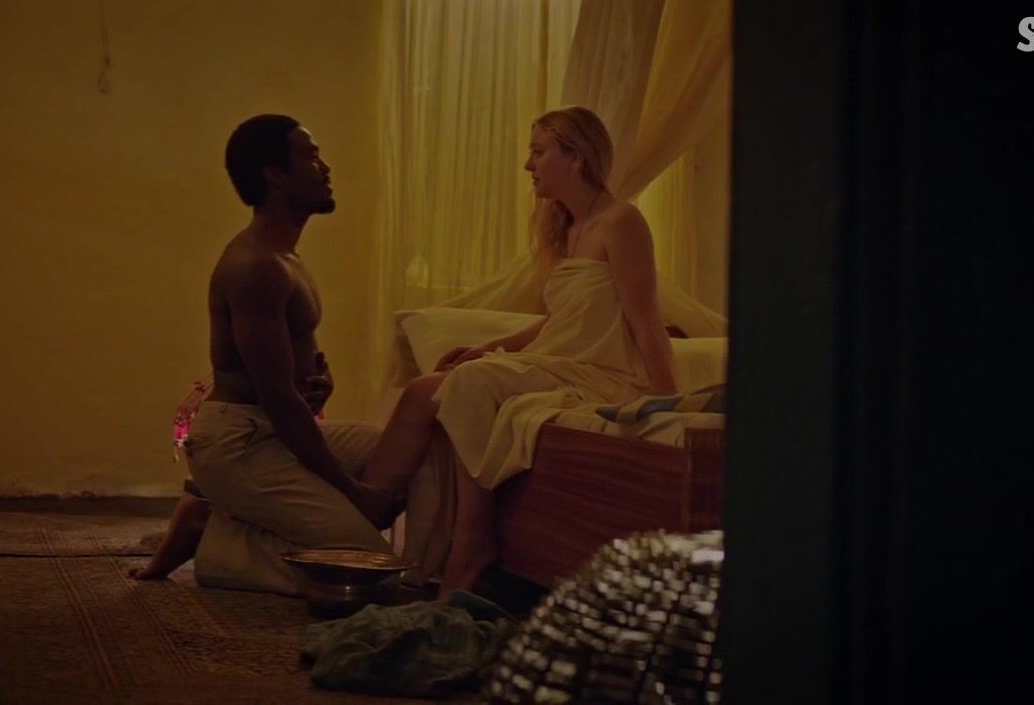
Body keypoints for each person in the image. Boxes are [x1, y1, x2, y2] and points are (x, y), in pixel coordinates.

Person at [355, 105, 679, 596]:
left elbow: (645, 320)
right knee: (429, 388)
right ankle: (366, 522)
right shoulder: (570, 230)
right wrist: (488, 346)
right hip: (560, 362)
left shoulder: (622, 221)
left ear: (575, 157)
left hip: (598, 372)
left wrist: (669, 401)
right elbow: (562, 321)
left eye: (538, 151)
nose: (528, 164)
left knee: (470, 382)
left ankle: (470, 538)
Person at [128, 114, 397, 595]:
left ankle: (231, 513)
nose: (325, 168)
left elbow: (284, 386)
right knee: (369, 571)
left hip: (272, 430)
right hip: (241, 443)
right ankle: (219, 544)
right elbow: (277, 399)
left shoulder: (286, 258)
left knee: (397, 448)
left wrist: (319, 385)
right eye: (311, 157)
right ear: (275, 175)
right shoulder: (256, 267)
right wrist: (351, 491)